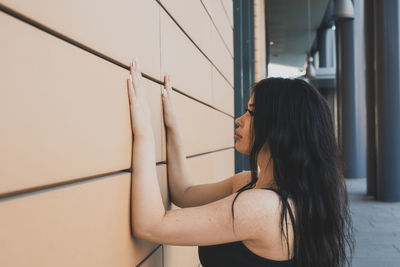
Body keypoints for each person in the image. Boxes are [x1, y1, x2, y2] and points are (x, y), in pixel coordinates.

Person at [127, 56, 355, 267]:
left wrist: (144, 132)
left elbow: (150, 225)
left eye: (252, 113)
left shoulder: (262, 207)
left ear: (280, 129)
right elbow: (184, 193)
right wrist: (172, 127)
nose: (239, 119)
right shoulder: (254, 185)